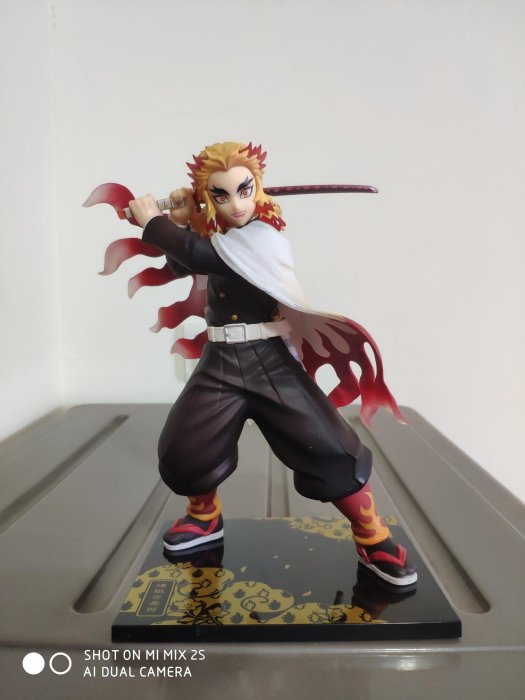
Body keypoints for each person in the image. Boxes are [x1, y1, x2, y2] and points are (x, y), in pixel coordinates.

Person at [127, 141, 416, 586]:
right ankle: (204, 516)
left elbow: (201, 256)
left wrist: (154, 221)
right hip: (221, 361)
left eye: (245, 190)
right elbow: (185, 262)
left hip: (270, 360)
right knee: (186, 445)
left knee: (327, 444)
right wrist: (183, 221)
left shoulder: (264, 237)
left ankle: (372, 534)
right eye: (221, 195)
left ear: (258, 187)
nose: (236, 205)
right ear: (209, 197)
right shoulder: (220, 236)